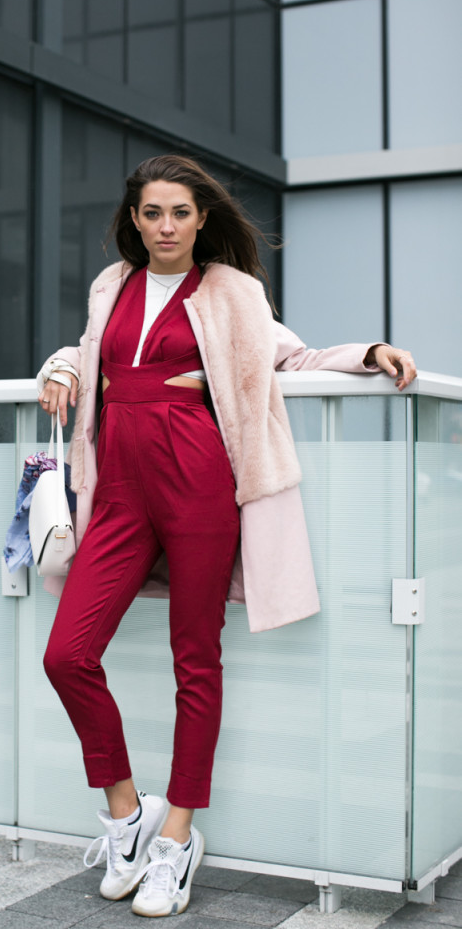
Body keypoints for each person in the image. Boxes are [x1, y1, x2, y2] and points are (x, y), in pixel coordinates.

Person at [36, 155, 417, 918]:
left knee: (195, 657)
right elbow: (98, 347)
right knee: (68, 654)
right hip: (116, 491)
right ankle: (125, 812)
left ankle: (176, 835)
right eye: (152, 213)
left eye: (180, 212)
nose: (166, 226)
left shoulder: (234, 292)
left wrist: (369, 354)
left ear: (202, 217)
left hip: (200, 481)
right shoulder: (112, 285)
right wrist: (62, 365)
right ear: (134, 220)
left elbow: (292, 357)